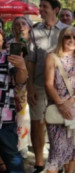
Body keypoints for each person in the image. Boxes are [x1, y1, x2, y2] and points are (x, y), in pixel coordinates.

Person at [27, 0, 68, 173]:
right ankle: (38, 163)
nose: (41, 9)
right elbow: (30, 60)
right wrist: (29, 86)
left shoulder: (68, 30)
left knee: (58, 125)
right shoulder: (34, 31)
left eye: (44, 6)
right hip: (38, 84)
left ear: (55, 9)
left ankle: (56, 163)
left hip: (61, 87)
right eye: (40, 6)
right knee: (37, 124)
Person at [44, 27, 75, 172]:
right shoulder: (52, 57)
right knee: (56, 152)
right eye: (68, 37)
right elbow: (48, 84)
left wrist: (71, 101)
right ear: (61, 39)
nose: (72, 40)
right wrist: (61, 104)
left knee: (73, 148)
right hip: (58, 107)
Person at [0, 30, 29, 173]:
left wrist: (22, 67)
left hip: (4, 117)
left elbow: (20, 80)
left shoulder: (8, 58)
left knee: (12, 156)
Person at [9, 16, 33, 158]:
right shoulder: (9, 44)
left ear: (29, 26)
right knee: (20, 115)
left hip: (35, 83)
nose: (20, 27)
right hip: (16, 84)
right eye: (17, 24)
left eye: (23, 23)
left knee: (34, 116)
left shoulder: (35, 44)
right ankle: (20, 145)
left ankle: (31, 143)